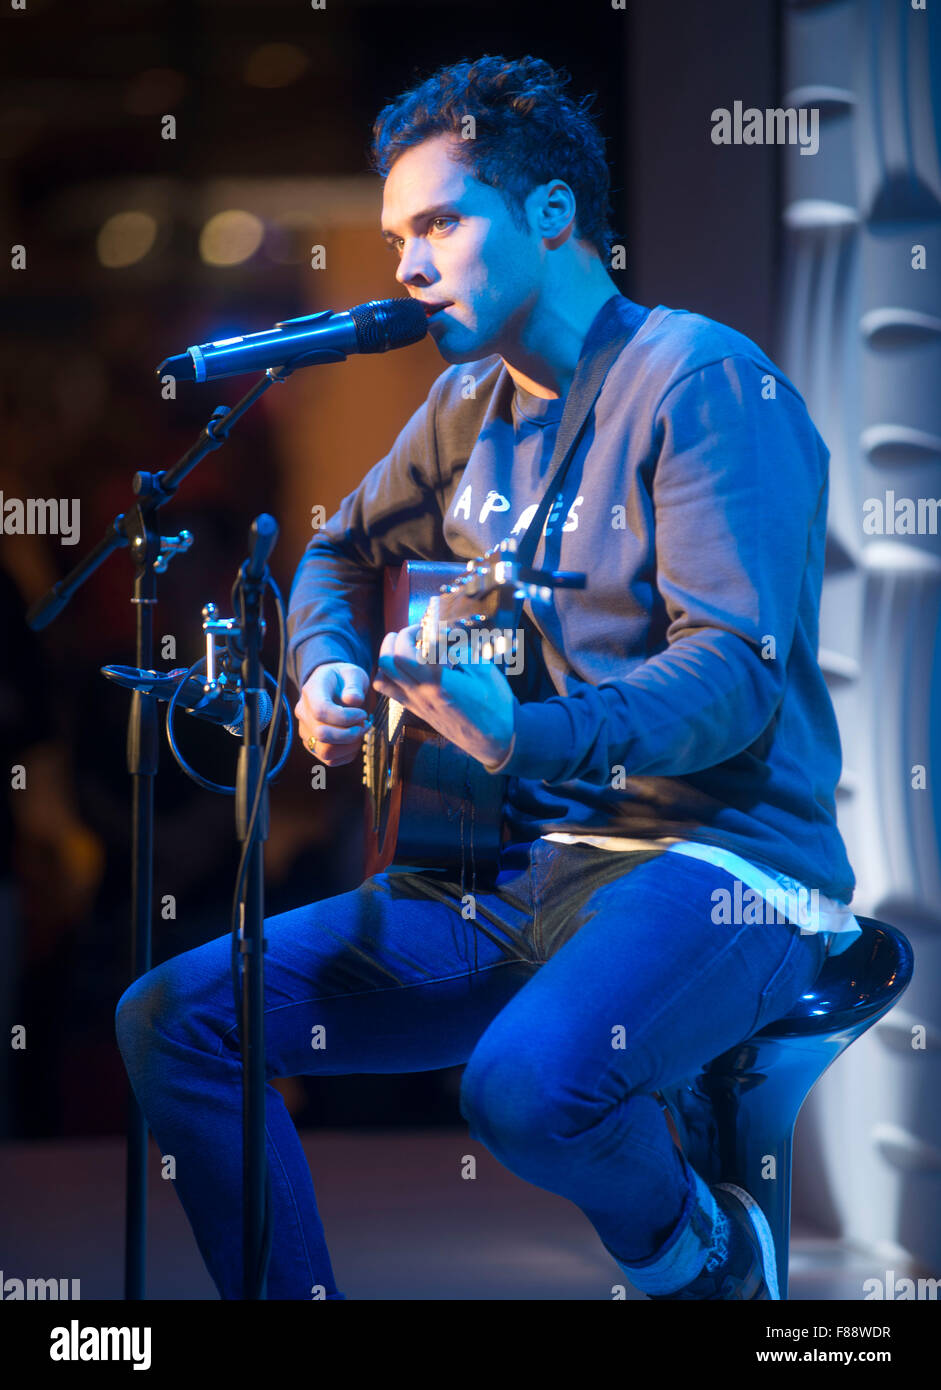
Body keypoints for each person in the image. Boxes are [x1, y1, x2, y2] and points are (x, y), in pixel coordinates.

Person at [116, 54, 861, 1301]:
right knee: (173, 1017)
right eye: (398, 233)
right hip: (519, 874)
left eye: (439, 223)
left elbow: (732, 676)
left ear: (553, 216)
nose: (405, 264)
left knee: (521, 1088)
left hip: (722, 866)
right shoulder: (465, 406)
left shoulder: (703, 384)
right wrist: (326, 666)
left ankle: (711, 1255)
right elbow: (338, 550)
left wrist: (527, 737)